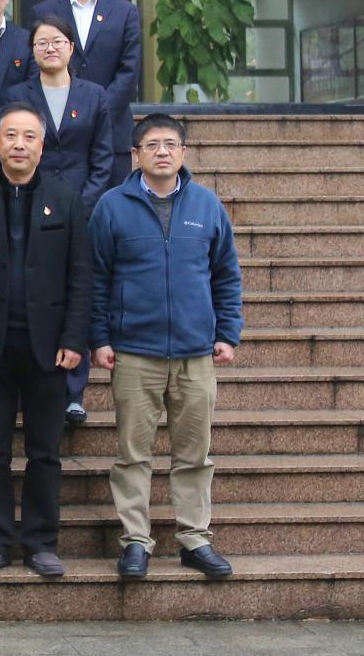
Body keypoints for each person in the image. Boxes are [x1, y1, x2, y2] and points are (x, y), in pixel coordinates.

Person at [90, 113, 243, 582]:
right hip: (135, 352)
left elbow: (226, 274)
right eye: (152, 144)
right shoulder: (112, 206)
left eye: (170, 144)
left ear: (183, 153)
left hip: (196, 354)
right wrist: (99, 338)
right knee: (133, 455)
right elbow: (95, 278)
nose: (162, 152)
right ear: (135, 155)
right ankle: (135, 542)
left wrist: (227, 333)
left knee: (194, 455)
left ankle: (195, 539)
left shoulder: (206, 205)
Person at [0, 102, 91, 579]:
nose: (19, 145)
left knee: (44, 451)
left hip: (48, 347)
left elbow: (81, 275)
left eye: (29, 136)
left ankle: (40, 543)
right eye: (10, 135)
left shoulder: (65, 198)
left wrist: (74, 338)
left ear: (42, 146)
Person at [6, 15, 113, 428]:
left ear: (71, 48)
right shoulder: (17, 95)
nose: (50, 48)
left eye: (57, 42)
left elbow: (102, 158)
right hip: (28, 204)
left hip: (81, 208)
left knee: (75, 291)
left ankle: (73, 393)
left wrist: (81, 206)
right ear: (32, 51)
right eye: (41, 43)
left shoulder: (95, 95)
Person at [30, 0, 142, 186]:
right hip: (58, 137)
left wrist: (95, 113)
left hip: (112, 131)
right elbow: (37, 66)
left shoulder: (125, 12)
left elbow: (129, 72)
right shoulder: (44, 11)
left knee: (111, 206)